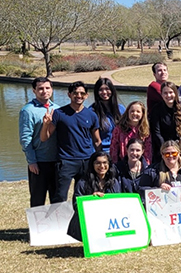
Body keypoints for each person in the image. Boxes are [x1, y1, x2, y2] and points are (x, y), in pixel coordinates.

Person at [40, 81, 101, 203]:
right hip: (66, 161)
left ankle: (78, 221)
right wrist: (45, 125)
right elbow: (44, 138)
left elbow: (97, 140)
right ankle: (60, 221)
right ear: (69, 95)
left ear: (86, 95)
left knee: (83, 196)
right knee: (60, 197)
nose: (79, 96)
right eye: (75, 93)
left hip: (86, 160)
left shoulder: (91, 114)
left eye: (82, 93)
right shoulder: (59, 113)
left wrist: (98, 158)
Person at [19, 77, 60, 207]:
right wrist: (32, 161)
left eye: (47, 88)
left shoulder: (58, 109)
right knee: (38, 199)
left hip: (57, 161)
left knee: (57, 198)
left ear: (52, 90)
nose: (44, 91)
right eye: (40, 88)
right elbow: (25, 138)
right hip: (39, 162)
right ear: (34, 91)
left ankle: (58, 227)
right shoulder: (28, 110)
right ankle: (37, 227)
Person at [67, 151, 122, 241]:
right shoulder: (83, 182)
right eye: (98, 163)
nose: (102, 166)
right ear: (92, 165)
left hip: (110, 220)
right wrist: (91, 200)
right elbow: (76, 204)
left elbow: (118, 202)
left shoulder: (114, 182)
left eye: (105, 163)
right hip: (89, 221)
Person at [149, 82, 181, 169]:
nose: (168, 95)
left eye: (171, 92)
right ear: (161, 94)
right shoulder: (156, 109)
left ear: (175, 93)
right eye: (165, 93)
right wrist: (167, 151)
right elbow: (156, 132)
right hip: (163, 150)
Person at [91, 78, 125, 154]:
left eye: (107, 89)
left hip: (120, 151)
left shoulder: (121, 109)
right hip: (103, 151)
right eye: (101, 90)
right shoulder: (92, 112)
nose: (104, 92)